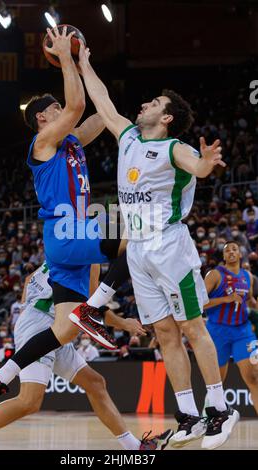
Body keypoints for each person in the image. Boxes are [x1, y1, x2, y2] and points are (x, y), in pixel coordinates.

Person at [76, 44, 239, 450]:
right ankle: (188, 417)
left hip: (170, 246)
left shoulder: (174, 148)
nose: (145, 103)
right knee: (165, 332)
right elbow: (103, 101)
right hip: (138, 252)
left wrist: (205, 162)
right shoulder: (129, 136)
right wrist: (83, 62)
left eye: (155, 102)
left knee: (191, 326)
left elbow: (198, 168)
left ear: (166, 118)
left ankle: (219, 408)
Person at [0, 26, 137, 422]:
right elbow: (77, 108)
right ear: (44, 117)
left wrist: (85, 64)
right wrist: (64, 56)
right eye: (56, 110)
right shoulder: (43, 144)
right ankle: (96, 310)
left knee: (64, 331)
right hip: (67, 233)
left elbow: (105, 115)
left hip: (71, 246)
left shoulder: (72, 143)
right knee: (141, 236)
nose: (63, 111)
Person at [0, 262, 173, 450]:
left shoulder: (62, 247)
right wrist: (124, 323)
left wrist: (27, 308)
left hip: (52, 326)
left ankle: (134, 447)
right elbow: (93, 307)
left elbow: (28, 279)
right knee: (29, 401)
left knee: (95, 383)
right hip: (41, 326)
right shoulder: (90, 257)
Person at [204, 241, 258, 414]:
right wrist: (225, 299)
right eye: (227, 251)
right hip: (218, 331)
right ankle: (208, 418)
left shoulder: (248, 276)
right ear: (224, 256)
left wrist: (254, 304)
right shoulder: (214, 275)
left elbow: (249, 299)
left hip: (243, 331)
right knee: (216, 383)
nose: (231, 252)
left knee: (254, 377)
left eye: (235, 249)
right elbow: (199, 303)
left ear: (240, 254)